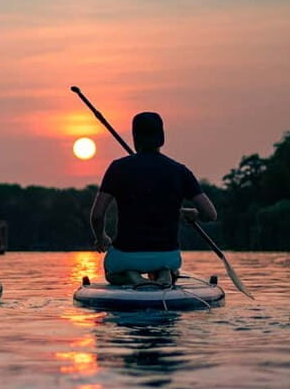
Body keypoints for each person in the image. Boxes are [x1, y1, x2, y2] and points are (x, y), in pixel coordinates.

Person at [90, 112, 217, 287]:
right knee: (167, 266)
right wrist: (194, 214)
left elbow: (97, 216)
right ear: (162, 139)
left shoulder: (118, 168)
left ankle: (131, 276)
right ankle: (165, 273)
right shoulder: (180, 170)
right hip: (167, 256)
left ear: (135, 138)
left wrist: (101, 237)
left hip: (127, 254)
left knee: (111, 273)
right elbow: (210, 214)